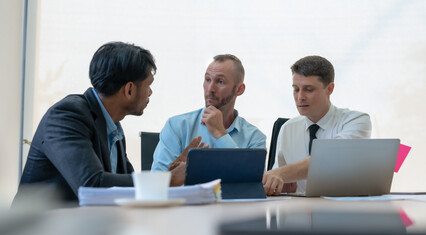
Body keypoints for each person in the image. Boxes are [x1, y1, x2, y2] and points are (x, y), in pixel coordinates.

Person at [14, 42, 180, 203]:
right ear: (129, 89)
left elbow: (126, 187)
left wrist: (168, 174)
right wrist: (166, 181)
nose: (150, 92)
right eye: (148, 85)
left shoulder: (114, 127)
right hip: (43, 229)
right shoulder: (67, 115)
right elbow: (91, 185)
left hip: (86, 225)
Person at [262, 55, 372, 196]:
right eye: (296, 89)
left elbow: (330, 159)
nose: (300, 97)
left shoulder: (356, 121)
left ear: (330, 89)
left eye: (308, 89)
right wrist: (280, 185)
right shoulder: (288, 128)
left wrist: (281, 174)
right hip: (299, 212)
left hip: (343, 211)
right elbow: (277, 179)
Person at [151, 54, 266, 186]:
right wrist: (176, 174)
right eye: (207, 80)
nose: (210, 89)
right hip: (187, 206)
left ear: (239, 89)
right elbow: (155, 183)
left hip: (234, 207)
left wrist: (220, 133)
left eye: (220, 82)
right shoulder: (177, 126)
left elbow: (254, 186)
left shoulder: (255, 138)